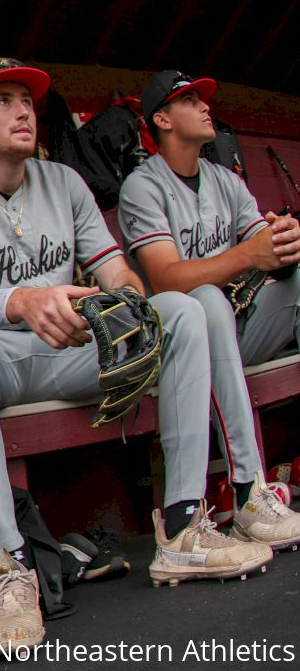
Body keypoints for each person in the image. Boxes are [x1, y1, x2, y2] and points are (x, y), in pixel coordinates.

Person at [0, 57, 277, 656]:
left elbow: (118, 273)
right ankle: (8, 567)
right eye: (3, 100)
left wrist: (124, 303)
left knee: (182, 310)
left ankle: (184, 527)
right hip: (1, 360)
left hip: (78, 347)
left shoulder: (64, 181)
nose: (23, 110)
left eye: (27, 100)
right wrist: (24, 300)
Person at [119, 70, 300, 538]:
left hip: (239, 330)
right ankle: (248, 490)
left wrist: (284, 240)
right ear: (161, 119)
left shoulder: (225, 179)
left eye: (204, 99)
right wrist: (247, 255)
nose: (205, 107)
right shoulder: (143, 186)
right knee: (204, 301)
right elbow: (164, 279)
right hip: (183, 347)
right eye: (188, 100)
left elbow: (265, 246)